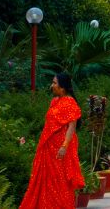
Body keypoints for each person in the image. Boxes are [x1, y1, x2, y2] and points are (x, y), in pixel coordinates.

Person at [18, 74, 85, 209]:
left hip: (61, 148)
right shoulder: (54, 101)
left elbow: (72, 127)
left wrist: (64, 146)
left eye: (54, 83)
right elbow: (49, 124)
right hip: (48, 147)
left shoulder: (70, 102)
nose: (52, 86)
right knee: (47, 181)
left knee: (60, 181)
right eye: (52, 82)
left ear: (63, 87)